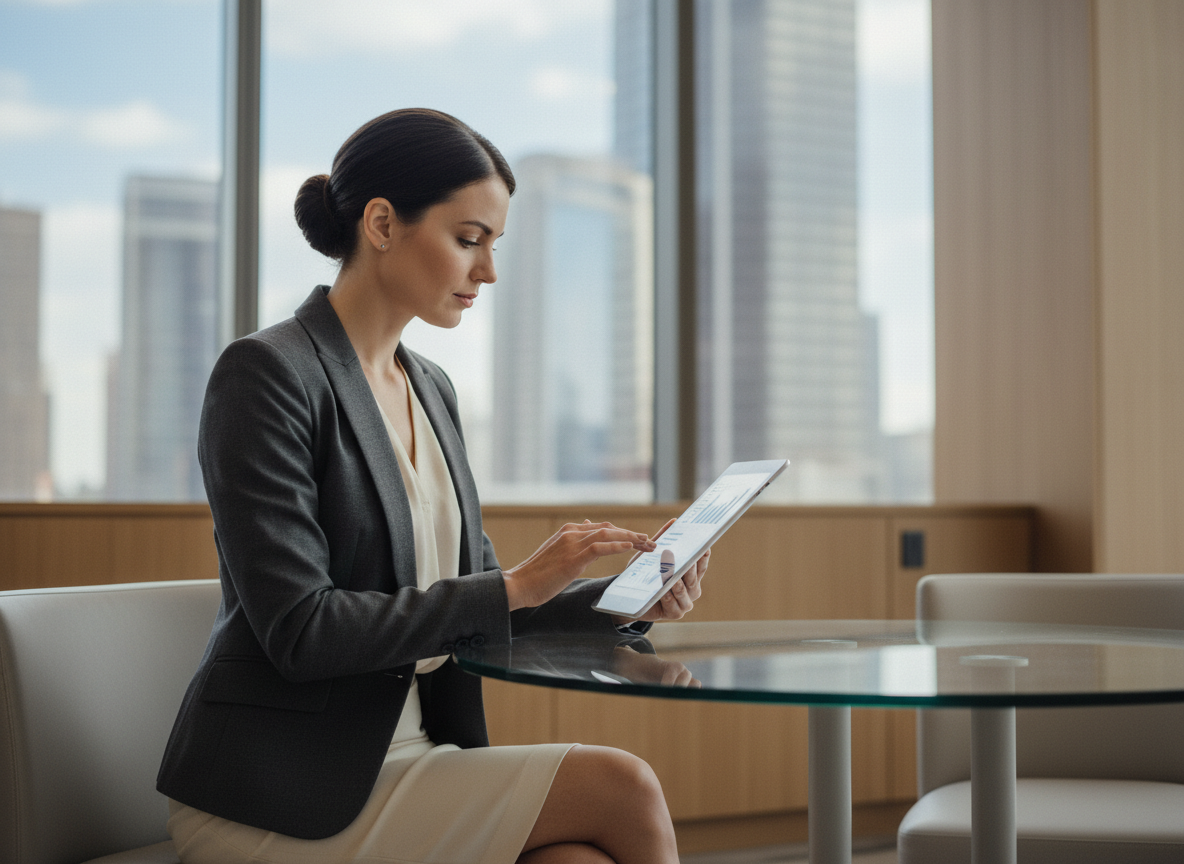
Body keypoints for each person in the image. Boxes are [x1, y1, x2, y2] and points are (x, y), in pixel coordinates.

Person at [157, 108, 710, 864]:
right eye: (468, 239)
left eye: (493, 245)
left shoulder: (432, 388)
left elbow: (476, 604)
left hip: (415, 753)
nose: (487, 271)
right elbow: (301, 630)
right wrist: (515, 584)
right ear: (381, 223)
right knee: (625, 786)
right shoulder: (268, 375)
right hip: (279, 787)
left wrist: (621, 600)